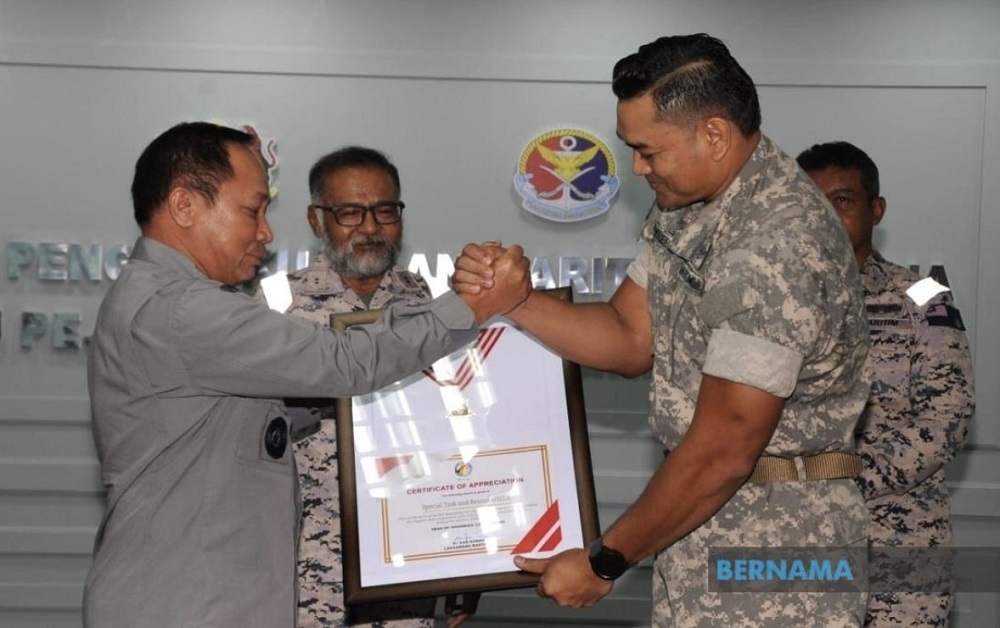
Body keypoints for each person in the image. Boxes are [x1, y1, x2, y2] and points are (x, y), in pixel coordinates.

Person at [453, 34, 871, 626]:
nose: (637, 168)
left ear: (716, 135)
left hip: (781, 553)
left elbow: (724, 449)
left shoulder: (775, 245)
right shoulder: (691, 206)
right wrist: (516, 301)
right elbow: (628, 336)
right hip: (705, 525)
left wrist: (604, 562)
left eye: (648, 151)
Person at [83, 122, 526, 628]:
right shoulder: (184, 308)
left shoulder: (165, 298)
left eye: (385, 210)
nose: (265, 232)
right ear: (184, 206)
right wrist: (473, 306)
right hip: (191, 600)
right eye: (252, 210)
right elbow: (344, 363)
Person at [262, 146, 477, 627]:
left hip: (411, 557)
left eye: (385, 210)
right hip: (299, 566)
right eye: (349, 213)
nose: (370, 227)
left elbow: (461, 435)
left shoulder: (433, 305)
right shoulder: (273, 307)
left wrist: (472, 565)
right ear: (316, 220)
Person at [797, 141, 975, 626]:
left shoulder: (923, 295)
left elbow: (947, 416)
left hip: (898, 549)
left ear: (876, 209)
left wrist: (839, 481)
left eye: (843, 200)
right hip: (793, 541)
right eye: (813, 202)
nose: (827, 216)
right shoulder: (773, 300)